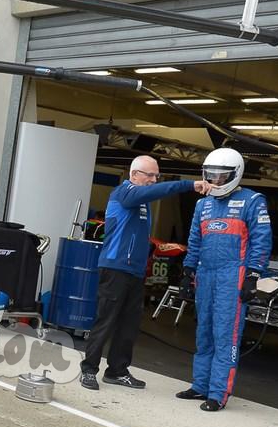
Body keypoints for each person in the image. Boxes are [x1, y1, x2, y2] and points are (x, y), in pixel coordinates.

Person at [80, 155, 213, 391]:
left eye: (156, 176)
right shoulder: (124, 193)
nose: (153, 180)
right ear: (134, 175)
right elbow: (154, 192)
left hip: (134, 270)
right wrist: (189, 185)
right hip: (116, 267)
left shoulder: (142, 201)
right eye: (150, 175)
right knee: (106, 321)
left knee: (129, 325)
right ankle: (89, 370)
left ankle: (117, 371)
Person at [176, 148, 272, 412]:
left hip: (233, 276)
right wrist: (187, 271)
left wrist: (253, 274)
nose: (216, 180)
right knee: (203, 332)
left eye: (222, 176)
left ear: (235, 174)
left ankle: (218, 393)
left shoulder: (253, 201)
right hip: (205, 275)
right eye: (212, 175)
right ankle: (200, 385)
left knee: (225, 335)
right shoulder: (202, 204)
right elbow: (195, 240)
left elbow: (262, 241)